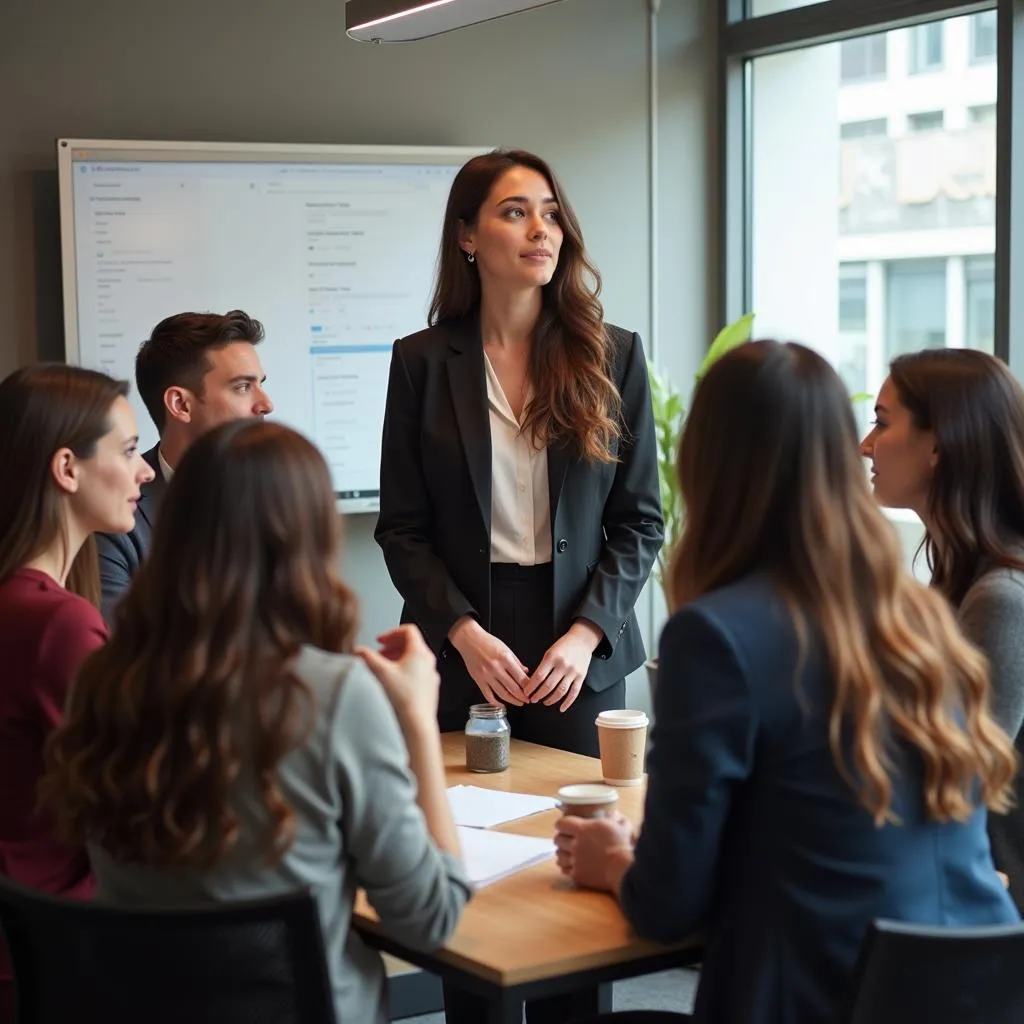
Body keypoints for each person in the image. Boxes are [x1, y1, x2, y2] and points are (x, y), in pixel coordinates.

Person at [554, 341, 1019, 1024]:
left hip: (817, 997)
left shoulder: (715, 635)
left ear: (709, 464)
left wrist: (612, 860)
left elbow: (665, 905)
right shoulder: (917, 613)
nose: (867, 446)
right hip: (970, 990)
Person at [42, 420, 470, 1024]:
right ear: (305, 541)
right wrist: (419, 725)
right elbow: (431, 918)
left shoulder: (104, 682)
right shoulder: (337, 696)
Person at [375, 148, 663, 763]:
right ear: (468, 236)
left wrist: (586, 636)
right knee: (458, 826)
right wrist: (463, 634)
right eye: (515, 212)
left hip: (579, 645)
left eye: (552, 215)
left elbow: (640, 522)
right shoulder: (420, 363)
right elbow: (402, 529)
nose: (541, 230)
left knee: (577, 822)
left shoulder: (614, 355)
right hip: (461, 644)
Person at [0, 363, 154, 1023]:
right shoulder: (56, 623)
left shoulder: (20, 604)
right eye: (126, 451)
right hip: (70, 953)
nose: (145, 470)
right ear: (67, 468)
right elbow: (145, 802)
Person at [860, 347, 1024, 912]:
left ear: (938, 444)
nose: (865, 445)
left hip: (982, 913)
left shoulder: (1001, 599)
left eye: (882, 423)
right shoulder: (956, 582)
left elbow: (953, 784)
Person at [95, 309, 273, 622]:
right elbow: (117, 654)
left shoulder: (277, 499)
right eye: (243, 387)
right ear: (181, 405)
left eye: (260, 384)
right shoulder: (114, 516)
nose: (266, 404)